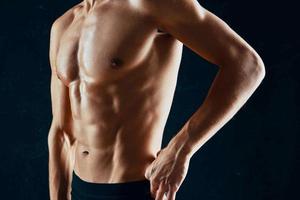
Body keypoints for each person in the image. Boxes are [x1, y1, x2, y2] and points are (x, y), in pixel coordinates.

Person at [47, 0, 265, 199]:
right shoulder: (64, 25)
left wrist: (180, 149)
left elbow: (247, 65)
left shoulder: (149, 4)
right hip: (82, 189)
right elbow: (61, 132)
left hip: (136, 189)